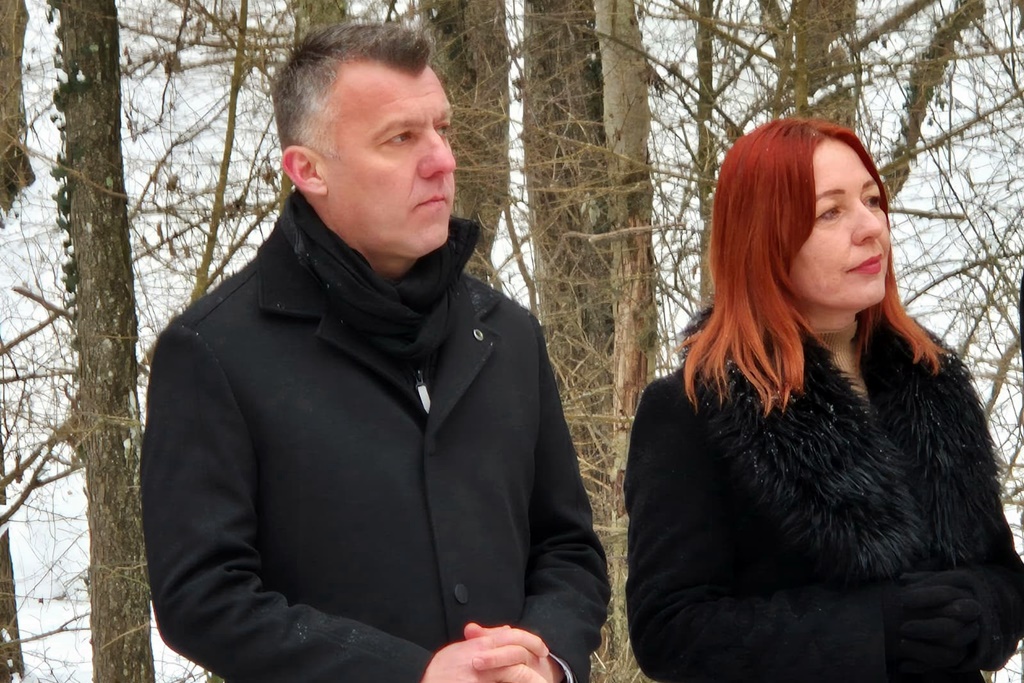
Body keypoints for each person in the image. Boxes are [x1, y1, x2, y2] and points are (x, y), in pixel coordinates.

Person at [141, 22, 609, 683]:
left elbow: (568, 549)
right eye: (401, 138)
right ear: (308, 170)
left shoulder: (506, 333)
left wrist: (543, 656)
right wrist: (410, 674)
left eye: (441, 129)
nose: (442, 160)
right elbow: (203, 598)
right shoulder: (214, 352)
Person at [624, 117, 1024, 682]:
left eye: (872, 201)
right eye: (830, 212)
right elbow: (671, 629)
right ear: (764, 239)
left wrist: (978, 613)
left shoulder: (934, 384)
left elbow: (1002, 573)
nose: (870, 228)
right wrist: (872, 629)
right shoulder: (695, 408)